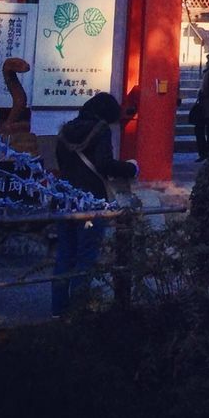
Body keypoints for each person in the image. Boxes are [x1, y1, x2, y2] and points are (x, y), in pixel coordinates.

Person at [52, 92, 138, 315]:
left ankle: (58, 309)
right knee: (86, 255)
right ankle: (79, 308)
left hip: (65, 199)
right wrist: (131, 168)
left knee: (64, 254)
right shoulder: (101, 130)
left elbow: (61, 164)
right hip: (90, 200)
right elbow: (104, 164)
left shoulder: (66, 130)